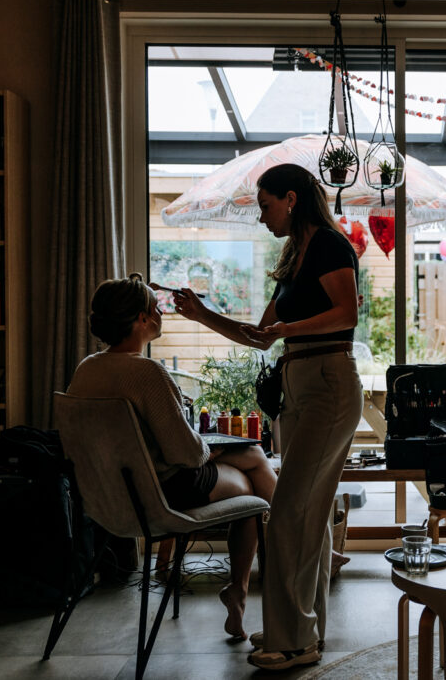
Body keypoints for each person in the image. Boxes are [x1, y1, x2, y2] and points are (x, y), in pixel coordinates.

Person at [172, 163, 363, 671]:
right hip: (299, 383)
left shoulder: (329, 244)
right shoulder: (293, 256)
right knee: (309, 516)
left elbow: (347, 313)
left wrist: (287, 328)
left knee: (290, 513)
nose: (262, 217)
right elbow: (261, 335)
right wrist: (201, 313)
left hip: (328, 382)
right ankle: (300, 628)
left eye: (265, 205)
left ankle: (294, 641)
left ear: (292, 199)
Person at [66, 273, 276, 642]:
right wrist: (215, 448)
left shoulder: (86, 370)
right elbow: (187, 454)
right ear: (141, 320)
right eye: (155, 307)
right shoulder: (147, 372)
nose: (161, 312)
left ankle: (278, 571)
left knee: (251, 461)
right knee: (250, 487)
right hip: (162, 494)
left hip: (107, 500)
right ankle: (283, 569)